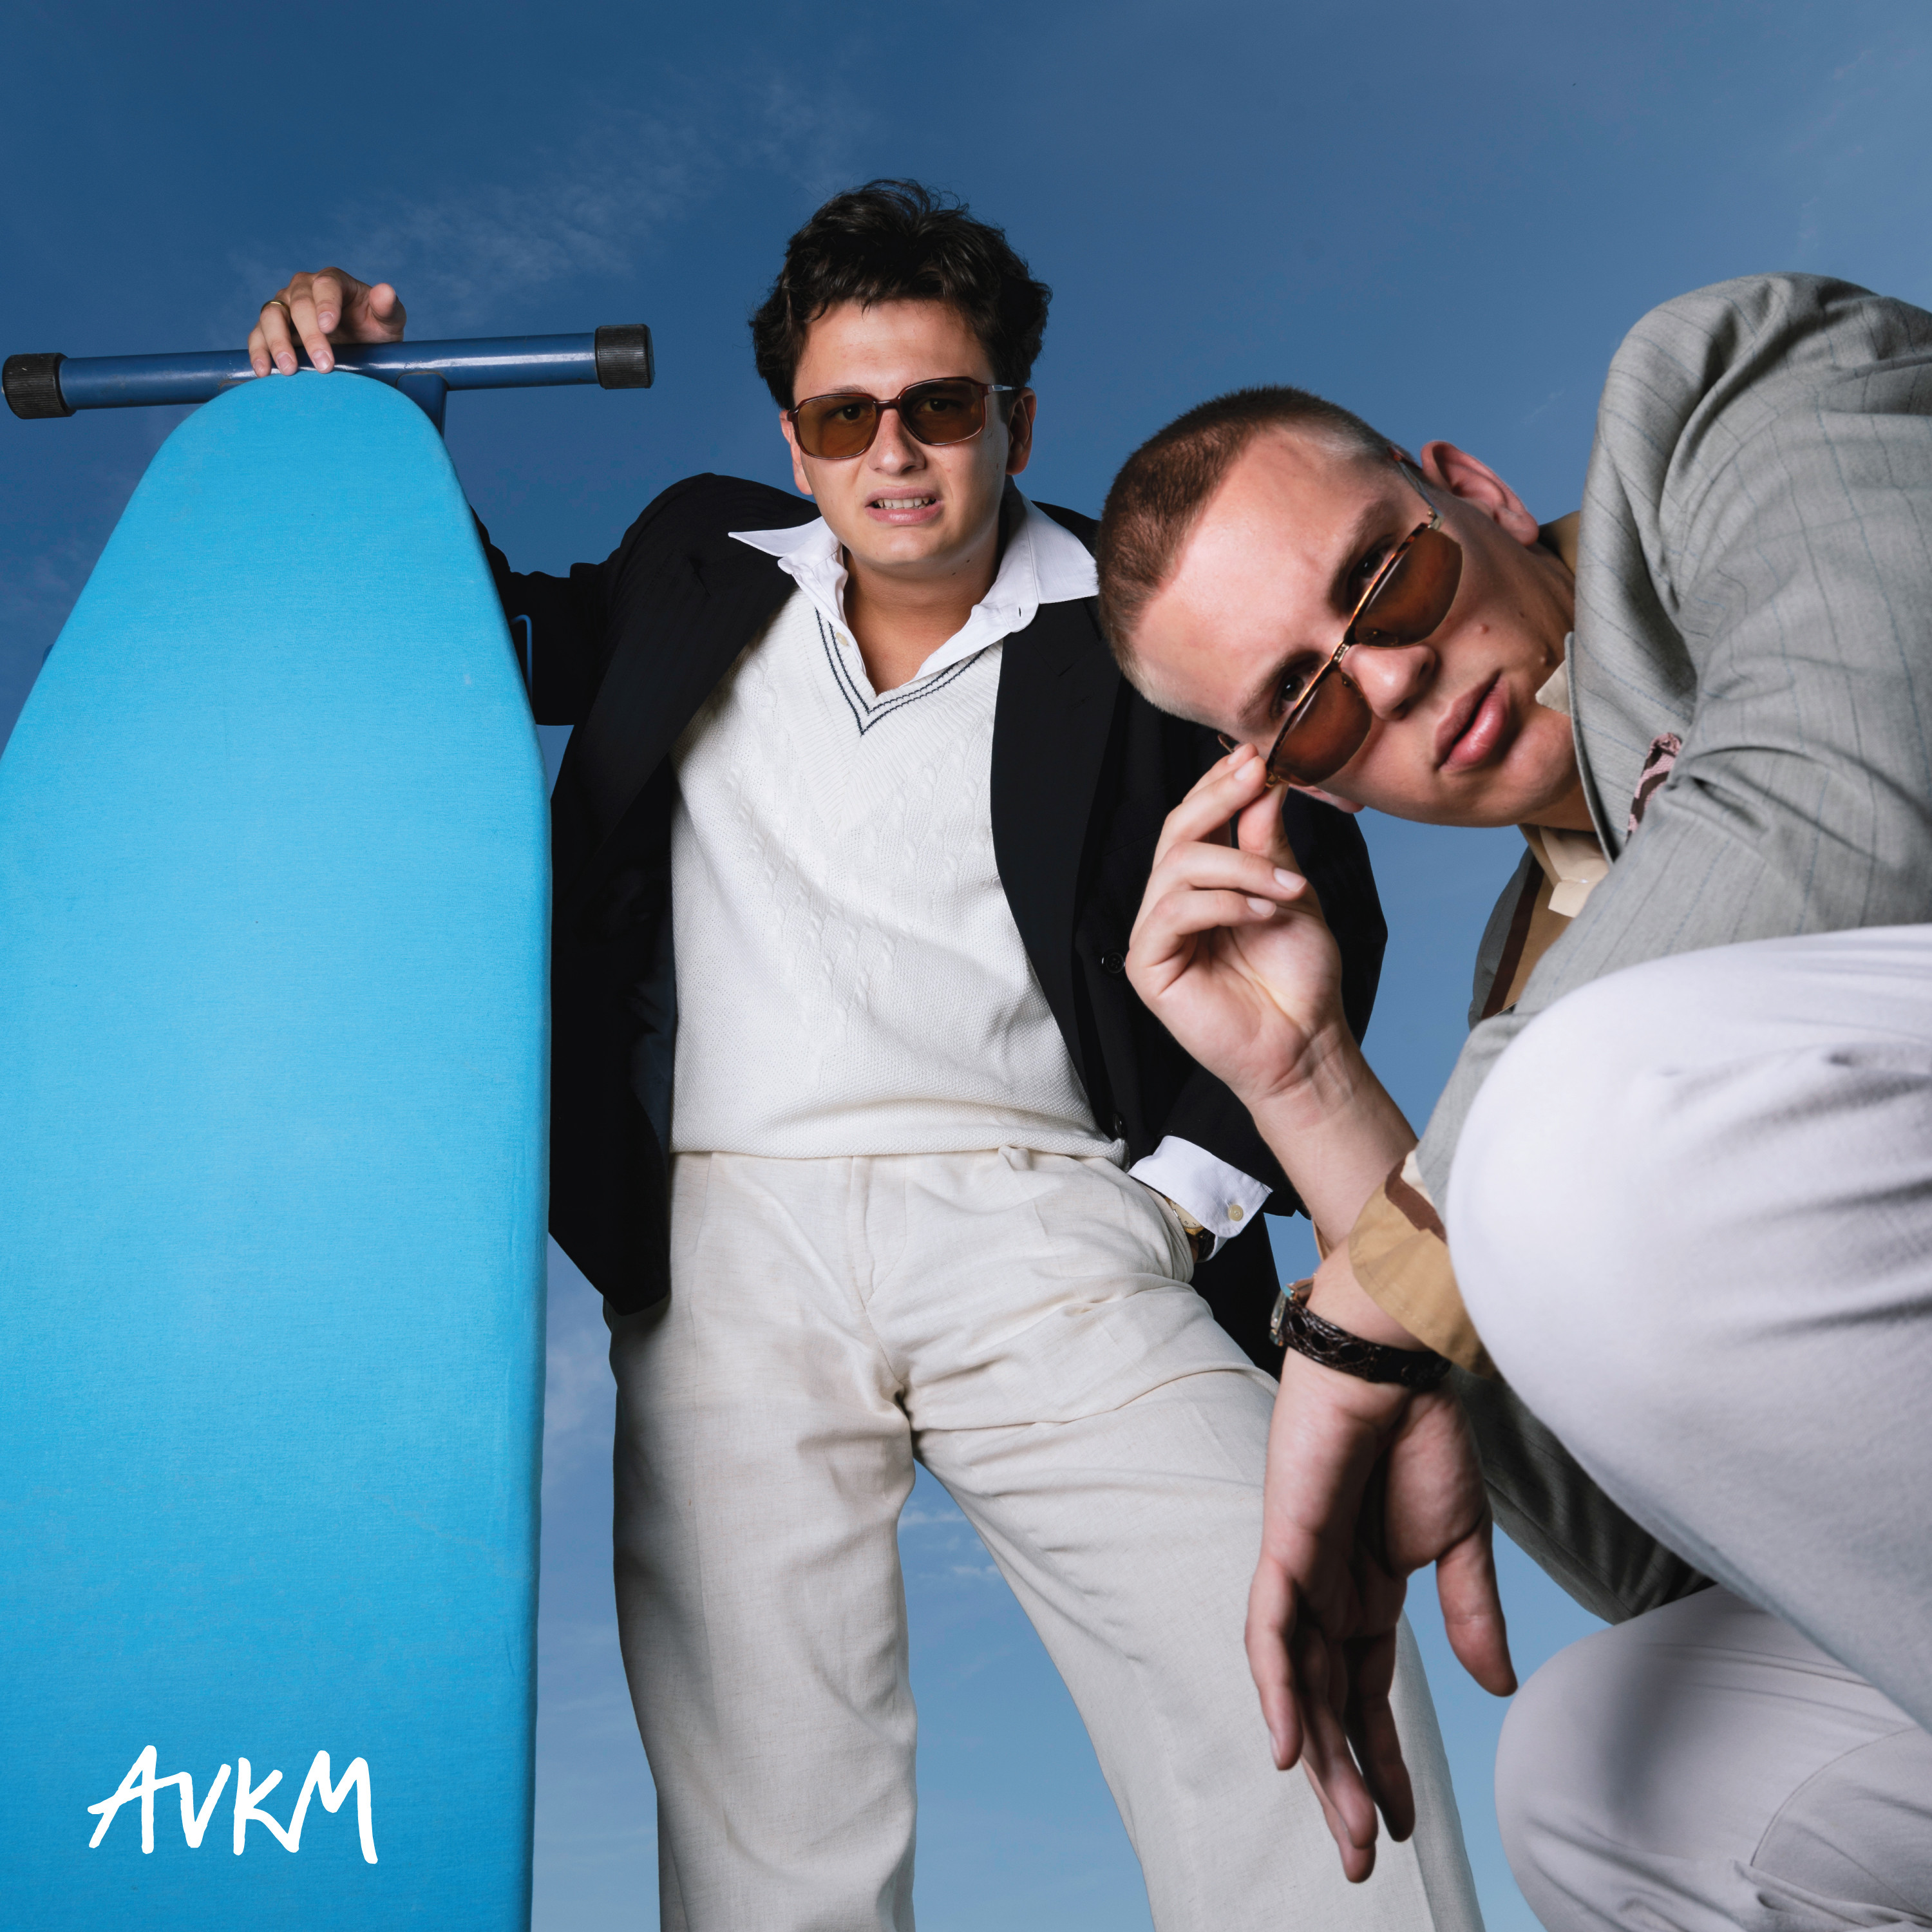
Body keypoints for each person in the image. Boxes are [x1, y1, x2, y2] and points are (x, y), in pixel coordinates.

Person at [247, 182, 1482, 1931]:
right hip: (725, 1233)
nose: (893, 454)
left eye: (940, 406)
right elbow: (467, 643)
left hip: (1056, 1221)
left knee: (1277, 1638)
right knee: (771, 1806)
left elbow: (1317, 900)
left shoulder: (1137, 629)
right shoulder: (697, 559)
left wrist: (1181, 1204)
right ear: (794, 439)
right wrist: (368, 424)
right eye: (845, 417)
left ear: (1017, 420)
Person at [1093, 272, 1932, 1931]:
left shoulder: (1721, 405)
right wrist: (1306, 1079)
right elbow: (1661, 1557)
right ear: (1307, 785)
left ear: (1469, 490)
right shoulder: (1524, 993)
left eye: (1383, 581)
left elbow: (1850, 772)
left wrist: (1378, 1301)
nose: (1395, 683)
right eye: (1310, 705)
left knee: (1569, 1107)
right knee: (1600, 1770)